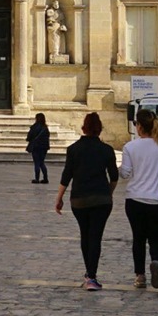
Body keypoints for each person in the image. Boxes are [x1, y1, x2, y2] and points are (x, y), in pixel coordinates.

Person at [55, 112, 119, 291]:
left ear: (84, 127)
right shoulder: (107, 150)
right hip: (101, 199)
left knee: (85, 235)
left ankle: (88, 275)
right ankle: (92, 275)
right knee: (95, 236)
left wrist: (59, 198)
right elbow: (114, 176)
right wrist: (109, 193)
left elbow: (66, 176)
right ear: (100, 129)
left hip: (79, 199)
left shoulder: (73, 149)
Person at [120, 108, 158, 289]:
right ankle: (156, 262)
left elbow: (125, 173)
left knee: (138, 238)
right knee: (157, 238)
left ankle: (140, 276)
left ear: (138, 126)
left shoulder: (130, 147)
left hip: (135, 199)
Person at [26, 113, 51, 184]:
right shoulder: (45, 128)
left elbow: (29, 137)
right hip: (44, 148)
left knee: (37, 163)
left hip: (36, 147)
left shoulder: (34, 127)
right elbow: (47, 138)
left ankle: (37, 179)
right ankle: (45, 178)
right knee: (42, 162)